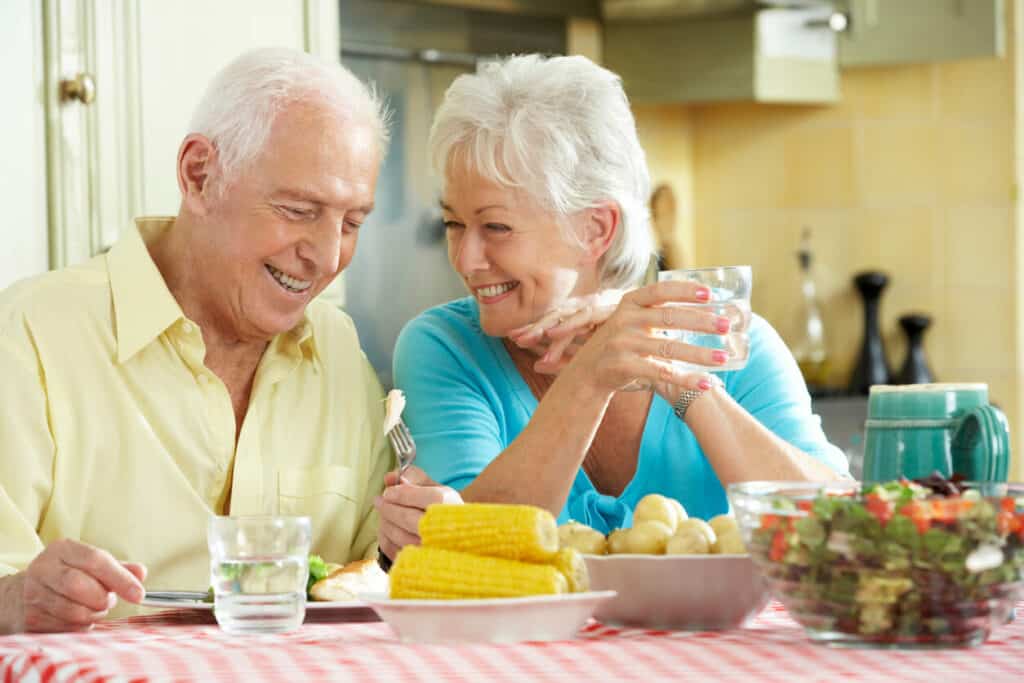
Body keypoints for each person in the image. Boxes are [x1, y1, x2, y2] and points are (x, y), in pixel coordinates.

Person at [374, 54, 848, 562]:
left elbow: (841, 533)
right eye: (452, 225)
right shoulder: (444, 348)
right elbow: (475, 549)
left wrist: (684, 383)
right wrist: (590, 376)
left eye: (495, 228)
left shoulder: (729, 341)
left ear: (596, 229)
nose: (466, 259)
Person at [0, 47, 392, 633]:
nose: (329, 256)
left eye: (353, 222)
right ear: (199, 176)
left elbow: (371, 579)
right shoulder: (30, 332)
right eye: (297, 209)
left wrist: (409, 542)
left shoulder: (337, 347)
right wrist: (17, 600)